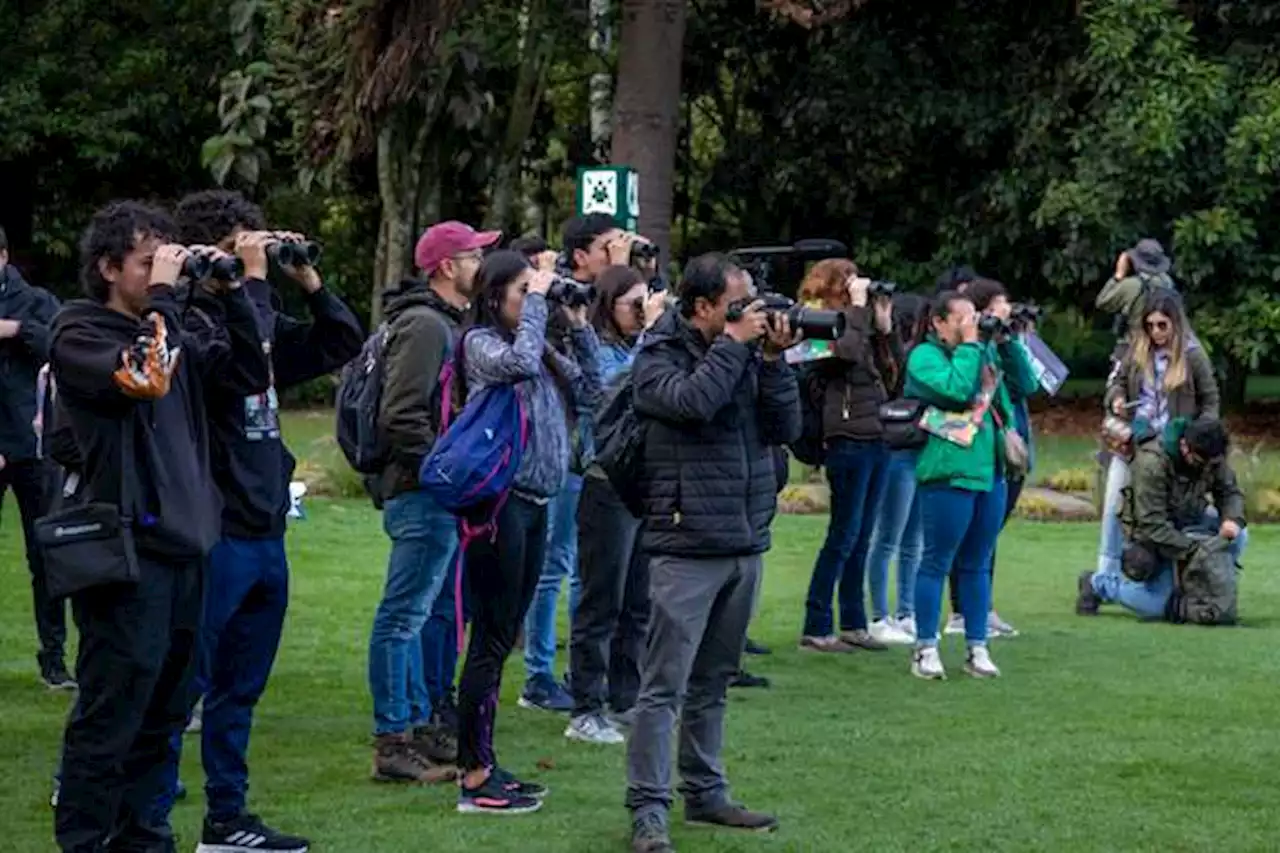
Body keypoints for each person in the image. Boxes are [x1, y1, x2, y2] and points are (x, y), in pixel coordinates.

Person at [52, 200, 271, 853]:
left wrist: (231, 293)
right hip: (126, 553)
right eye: (148, 263)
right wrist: (167, 300)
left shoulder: (170, 326)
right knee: (113, 713)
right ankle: (88, 841)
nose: (161, 272)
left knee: (165, 713)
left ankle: (144, 838)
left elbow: (248, 374)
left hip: (186, 550)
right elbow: (144, 374)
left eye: (167, 260)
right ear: (108, 266)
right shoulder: (80, 331)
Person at [164, 190, 363, 852]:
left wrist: (306, 278)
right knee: (176, 683)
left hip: (265, 528)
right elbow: (244, 362)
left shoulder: (259, 314)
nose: (257, 258)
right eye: (244, 245)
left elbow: (340, 341)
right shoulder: (195, 325)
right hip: (217, 530)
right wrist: (245, 278)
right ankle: (136, 807)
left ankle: (226, 817)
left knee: (238, 690)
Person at [625, 253, 800, 853]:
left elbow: (785, 428)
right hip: (686, 540)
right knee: (663, 687)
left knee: (714, 681)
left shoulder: (749, 352)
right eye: (737, 303)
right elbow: (693, 404)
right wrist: (734, 345)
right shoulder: (657, 355)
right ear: (701, 307)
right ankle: (649, 811)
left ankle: (705, 793)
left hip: (744, 537)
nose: (750, 312)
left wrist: (773, 361)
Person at [455, 250, 601, 814]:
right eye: (522, 291)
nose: (533, 298)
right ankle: (473, 774)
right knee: (490, 640)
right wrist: (540, 300)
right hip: (500, 506)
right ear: (495, 298)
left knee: (501, 636)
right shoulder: (481, 345)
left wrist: (581, 325)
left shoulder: (536, 341)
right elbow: (516, 365)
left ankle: (484, 761)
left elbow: (590, 388)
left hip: (536, 504)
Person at [371, 220, 500, 782]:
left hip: (430, 490)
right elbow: (400, 414)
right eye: (474, 256)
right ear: (447, 267)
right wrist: (445, 472)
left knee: (422, 615)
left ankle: (419, 726)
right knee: (402, 618)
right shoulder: (425, 326)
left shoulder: (445, 322)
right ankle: (394, 740)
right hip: (422, 493)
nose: (482, 266)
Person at [518, 214, 632, 713]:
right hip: (567, 452)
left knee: (587, 572)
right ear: (581, 255)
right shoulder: (559, 301)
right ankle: (538, 674)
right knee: (556, 564)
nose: (616, 256)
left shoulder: (593, 305)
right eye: (608, 248)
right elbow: (599, 384)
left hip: (593, 458)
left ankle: (582, 670)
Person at [565, 265, 664, 744]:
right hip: (605, 484)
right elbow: (612, 389)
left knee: (639, 600)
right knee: (600, 600)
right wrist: (652, 334)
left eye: (646, 302)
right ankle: (585, 705)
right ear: (610, 304)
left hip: (642, 483)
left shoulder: (638, 345)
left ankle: (626, 695)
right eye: (633, 304)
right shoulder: (593, 346)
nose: (642, 313)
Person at [902, 290, 1017, 681]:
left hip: (989, 470)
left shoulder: (982, 350)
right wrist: (971, 346)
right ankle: (925, 648)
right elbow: (955, 390)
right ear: (938, 323)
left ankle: (977, 646)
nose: (972, 325)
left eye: (975, 318)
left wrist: (1007, 340)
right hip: (948, 471)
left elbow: (1026, 385)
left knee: (978, 563)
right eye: (963, 318)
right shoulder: (924, 357)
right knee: (937, 559)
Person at [799, 260, 906, 651]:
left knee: (862, 535)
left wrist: (886, 329)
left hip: (875, 435)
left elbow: (896, 377)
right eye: (847, 278)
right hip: (845, 437)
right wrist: (858, 309)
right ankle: (816, 624)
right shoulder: (818, 320)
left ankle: (853, 622)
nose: (855, 283)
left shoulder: (859, 323)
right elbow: (842, 355)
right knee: (842, 534)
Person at [1094, 291, 1217, 584]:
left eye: (1163, 325)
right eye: (1150, 325)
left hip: (1174, 449)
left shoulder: (1193, 355)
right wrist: (1118, 400)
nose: (1156, 332)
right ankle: (1106, 575)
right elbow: (1116, 384)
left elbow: (1211, 401)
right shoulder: (1136, 350)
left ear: (1176, 322)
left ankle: (1177, 574)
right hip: (1134, 443)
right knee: (1115, 506)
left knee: (1165, 511)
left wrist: (1197, 438)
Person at [943, 279, 1039, 640]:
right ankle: (961, 611)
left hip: (1005, 447)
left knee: (988, 533)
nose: (1006, 311)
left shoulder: (998, 346)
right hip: (975, 447)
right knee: (970, 535)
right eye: (999, 306)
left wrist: (1008, 340)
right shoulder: (964, 348)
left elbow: (1027, 384)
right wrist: (980, 341)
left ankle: (980, 608)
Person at [1077, 417, 1246, 620]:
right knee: (1156, 606)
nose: (1207, 467)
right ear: (1185, 447)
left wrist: (1232, 519)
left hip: (1191, 519)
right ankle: (1098, 584)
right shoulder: (1152, 463)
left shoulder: (1211, 456)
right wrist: (1195, 550)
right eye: (1202, 462)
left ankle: (1210, 586)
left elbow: (1229, 492)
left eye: (1213, 462)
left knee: (1240, 535)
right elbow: (1152, 525)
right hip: (1150, 536)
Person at [0, 226, 69, 687]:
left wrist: (18, 330)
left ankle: (54, 657)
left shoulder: (37, 301)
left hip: (31, 446)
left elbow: (63, 350)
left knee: (46, 556)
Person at [863, 291, 931, 640]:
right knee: (888, 537)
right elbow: (896, 377)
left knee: (912, 538)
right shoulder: (900, 357)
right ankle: (879, 615)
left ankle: (906, 611)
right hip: (898, 448)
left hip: (919, 448)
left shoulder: (924, 355)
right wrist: (885, 330)